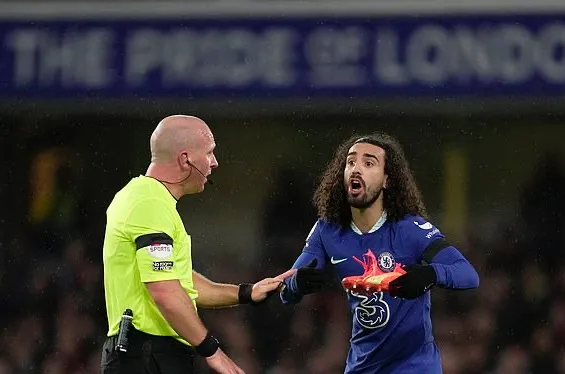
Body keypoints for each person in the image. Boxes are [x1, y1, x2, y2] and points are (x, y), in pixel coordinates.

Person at [101, 115, 293, 374]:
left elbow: (178, 282)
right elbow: (165, 292)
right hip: (146, 355)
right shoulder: (149, 204)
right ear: (185, 159)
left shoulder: (149, 200)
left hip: (152, 355)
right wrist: (213, 352)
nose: (215, 162)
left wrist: (245, 293)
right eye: (210, 153)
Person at [280, 133, 480, 373]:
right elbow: (285, 290)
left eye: (368, 163)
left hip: (415, 366)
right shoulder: (326, 231)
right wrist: (297, 284)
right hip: (362, 367)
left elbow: (468, 274)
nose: (356, 169)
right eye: (351, 162)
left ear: (387, 180)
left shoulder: (410, 229)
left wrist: (430, 274)